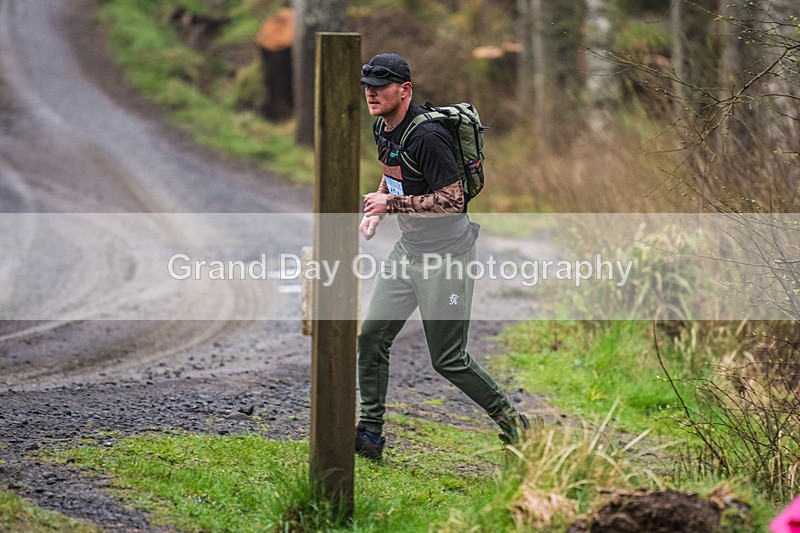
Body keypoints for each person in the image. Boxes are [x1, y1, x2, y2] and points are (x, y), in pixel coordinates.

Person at [355, 52, 529, 460]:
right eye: (367, 86)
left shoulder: (428, 136)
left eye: (380, 86)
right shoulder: (383, 126)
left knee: (448, 358)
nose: (371, 93)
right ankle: (370, 435)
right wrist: (381, 200)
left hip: (447, 258)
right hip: (408, 251)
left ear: (405, 90)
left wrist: (391, 208)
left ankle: (515, 426)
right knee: (371, 336)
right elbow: (394, 168)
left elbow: (453, 200)